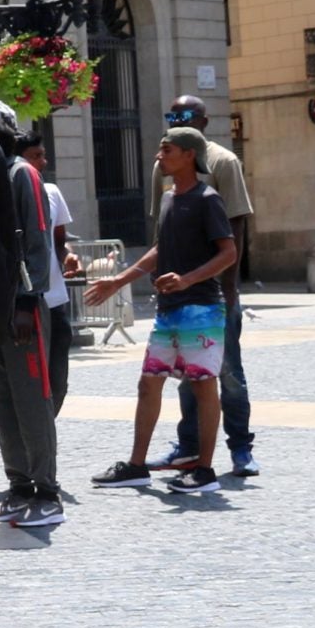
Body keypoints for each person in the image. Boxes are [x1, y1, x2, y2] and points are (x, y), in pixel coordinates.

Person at [89, 126, 237, 498]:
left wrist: (187, 280)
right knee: (148, 382)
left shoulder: (208, 199)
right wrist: (118, 280)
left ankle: (205, 469)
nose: (159, 156)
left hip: (201, 309)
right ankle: (137, 467)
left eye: (167, 150)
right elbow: (159, 249)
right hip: (169, 309)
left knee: (204, 386)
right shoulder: (169, 198)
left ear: (189, 155)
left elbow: (228, 253)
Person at [0, 99, 62, 529]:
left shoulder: (21, 174)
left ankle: (47, 489)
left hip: (23, 309)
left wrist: (28, 301)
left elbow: (37, 243)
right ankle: (19, 482)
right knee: (2, 401)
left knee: (31, 401)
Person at [160, 95, 255, 476]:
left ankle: (240, 447)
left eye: (185, 115)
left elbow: (236, 226)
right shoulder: (165, 163)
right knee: (187, 374)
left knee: (228, 371)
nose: (178, 120)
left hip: (214, 291)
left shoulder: (222, 161)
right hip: (179, 293)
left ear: (204, 120)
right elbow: (162, 230)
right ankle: (189, 446)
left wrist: (228, 289)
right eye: (173, 115)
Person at [22, 136, 78, 416]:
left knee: (59, 380)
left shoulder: (53, 192)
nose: (43, 162)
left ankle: (47, 431)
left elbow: (59, 242)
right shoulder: (15, 191)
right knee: (32, 383)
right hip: (29, 303)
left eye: (43, 154)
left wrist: (69, 257)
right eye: (36, 155)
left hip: (56, 302)